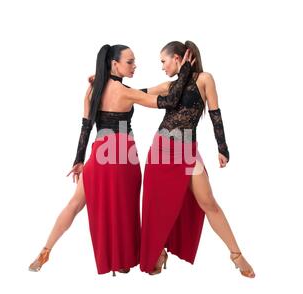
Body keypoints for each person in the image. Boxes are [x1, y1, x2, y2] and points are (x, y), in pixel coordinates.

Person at [29, 44, 194, 276]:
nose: (134, 65)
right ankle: (130, 258)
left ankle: (46, 250)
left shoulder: (94, 90)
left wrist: (79, 160)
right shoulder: (124, 92)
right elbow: (168, 102)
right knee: (127, 209)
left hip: (98, 156)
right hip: (122, 157)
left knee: (75, 204)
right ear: (114, 63)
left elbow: (86, 127)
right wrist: (185, 71)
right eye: (130, 62)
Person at [139, 41, 255, 278]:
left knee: (208, 201)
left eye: (163, 61)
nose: (162, 66)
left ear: (178, 58)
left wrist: (222, 148)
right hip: (161, 149)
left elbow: (215, 115)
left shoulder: (204, 79)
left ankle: (236, 254)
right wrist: (107, 83)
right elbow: (134, 94)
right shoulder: (168, 86)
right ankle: (158, 251)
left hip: (187, 151)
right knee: (156, 205)